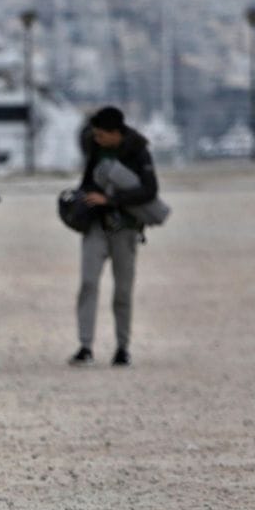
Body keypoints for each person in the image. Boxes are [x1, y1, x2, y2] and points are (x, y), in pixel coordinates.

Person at [69, 106, 158, 368]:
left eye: (101, 135)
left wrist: (111, 199)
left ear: (115, 133)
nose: (96, 139)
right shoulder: (95, 148)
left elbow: (150, 191)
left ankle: (122, 347)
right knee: (88, 282)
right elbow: (86, 183)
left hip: (126, 226)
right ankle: (85, 346)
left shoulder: (139, 151)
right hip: (96, 225)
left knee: (122, 289)